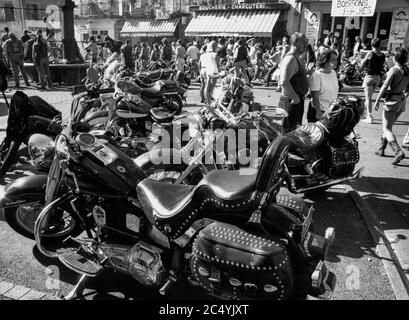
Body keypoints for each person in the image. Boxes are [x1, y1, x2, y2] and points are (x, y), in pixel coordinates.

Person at [373, 47, 409, 165]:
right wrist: (402, 96)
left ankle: (397, 151)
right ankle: (381, 148)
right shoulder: (407, 70)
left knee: (386, 128)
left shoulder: (394, 70)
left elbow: (384, 86)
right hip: (401, 101)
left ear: (395, 58)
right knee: (388, 125)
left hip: (391, 102)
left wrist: (377, 100)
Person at [279, 32, 309, 133]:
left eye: (307, 42)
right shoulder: (291, 59)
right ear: (294, 42)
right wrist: (295, 98)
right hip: (291, 102)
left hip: (295, 102)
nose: (306, 44)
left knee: (294, 132)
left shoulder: (297, 58)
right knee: (289, 134)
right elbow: (284, 82)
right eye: (303, 42)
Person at [307, 49, 339, 122]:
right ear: (325, 60)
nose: (336, 62)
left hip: (331, 111)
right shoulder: (316, 75)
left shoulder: (333, 73)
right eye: (333, 60)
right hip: (318, 112)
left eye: (336, 59)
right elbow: (315, 96)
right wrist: (319, 113)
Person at [361, 38, 386, 124]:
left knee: (368, 98)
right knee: (369, 97)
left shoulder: (370, 53)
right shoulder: (383, 55)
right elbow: (382, 65)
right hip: (377, 78)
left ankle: (369, 116)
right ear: (380, 45)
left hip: (369, 77)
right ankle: (364, 113)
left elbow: (362, 64)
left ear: (372, 45)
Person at [201, 41, 219, 105]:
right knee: (212, 88)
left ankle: (207, 101)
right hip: (214, 71)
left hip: (208, 70)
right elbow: (218, 64)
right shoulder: (215, 54)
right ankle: (210, 101)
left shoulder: (207, 54)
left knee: (207, 86)